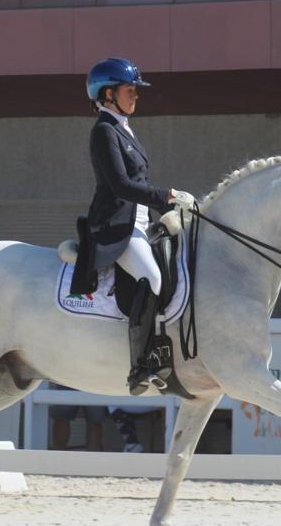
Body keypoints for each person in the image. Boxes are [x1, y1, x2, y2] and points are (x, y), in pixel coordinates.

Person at [82, 57, 196, 394]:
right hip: (115, 227)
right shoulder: (104, 131)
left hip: (140, 224)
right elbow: (120, 185)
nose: (136, 96)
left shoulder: (123, 128)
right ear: (107, 94)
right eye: (130, 90)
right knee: (152, 276)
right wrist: (168, 195)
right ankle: (141, 365)